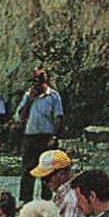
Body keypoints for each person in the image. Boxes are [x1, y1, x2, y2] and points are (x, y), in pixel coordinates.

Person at [17, 68, 63, 202]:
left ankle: (46, 200)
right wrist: (30, 100)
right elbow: (21, 116)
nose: (35, 85)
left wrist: (54, 137)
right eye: (33, 82)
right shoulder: (28, 96)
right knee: (27, 170)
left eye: (37, 82)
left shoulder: (54, 96)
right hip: (30, 136)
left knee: (47, 171)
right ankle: (26, 201)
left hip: (46, 137)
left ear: (44, 82)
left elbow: (59, 118)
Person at [28, 149, 81, 217]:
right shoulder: (62, 193)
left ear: (61, 174)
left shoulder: (71, 198)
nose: (44, 182)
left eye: (46, 178)